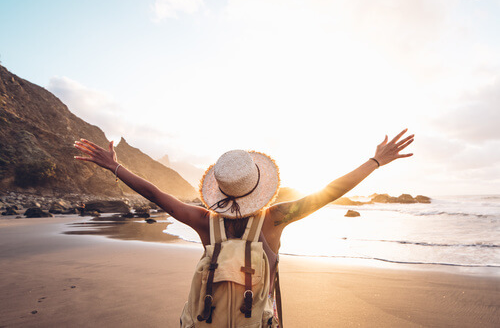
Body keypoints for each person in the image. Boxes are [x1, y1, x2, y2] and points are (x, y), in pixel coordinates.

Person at [74, 129, 414, 326]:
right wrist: (375, 162)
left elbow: (156, 195)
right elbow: (328, 192)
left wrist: (115, 167)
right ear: (260, 185)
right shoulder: (275, 218)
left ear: (219, 190)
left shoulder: (205, 221)